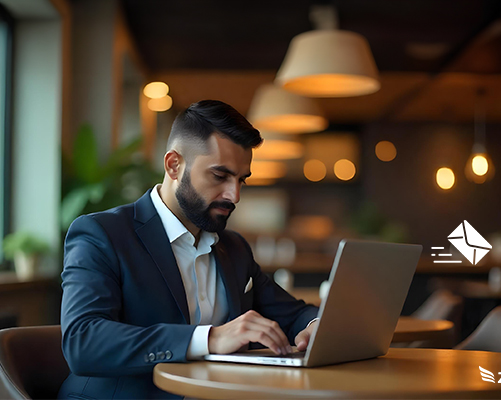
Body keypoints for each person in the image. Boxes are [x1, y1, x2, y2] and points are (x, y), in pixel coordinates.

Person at [58, 100, 319, 400]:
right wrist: (211, 338)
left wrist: (315, 326)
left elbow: (294, 313)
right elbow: (83, 342)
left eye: (241, 180)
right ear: (173, 165)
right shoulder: (101, 234)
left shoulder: (234, 249)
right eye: (219, 176)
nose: (234, 195)